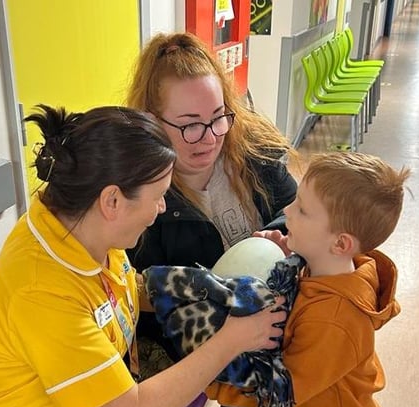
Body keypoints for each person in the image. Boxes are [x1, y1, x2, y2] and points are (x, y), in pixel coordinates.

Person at [0, 104, 287, 407]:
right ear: (113, 201)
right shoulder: (40, 291)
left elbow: (124, 285)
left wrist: (202, 290)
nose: (162, 208)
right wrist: (232, 340)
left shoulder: (81, 227)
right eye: (158, 196)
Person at [125, 32, 298, 367]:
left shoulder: (255, 151)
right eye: (190, 125)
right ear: (151, 119)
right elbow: (152, 301)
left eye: (218, 117)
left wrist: (277, 234)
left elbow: (299, 208)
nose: (210, 137)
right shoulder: (141, 194)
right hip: (207, 351)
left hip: (280, 328)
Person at [208, 152, 411, 407]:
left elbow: (283, 392)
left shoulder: (333, 320)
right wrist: (286, 252)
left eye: (302, 209)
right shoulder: (320, 266)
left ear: (340, 244)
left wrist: (205, 382)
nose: (287, 211)